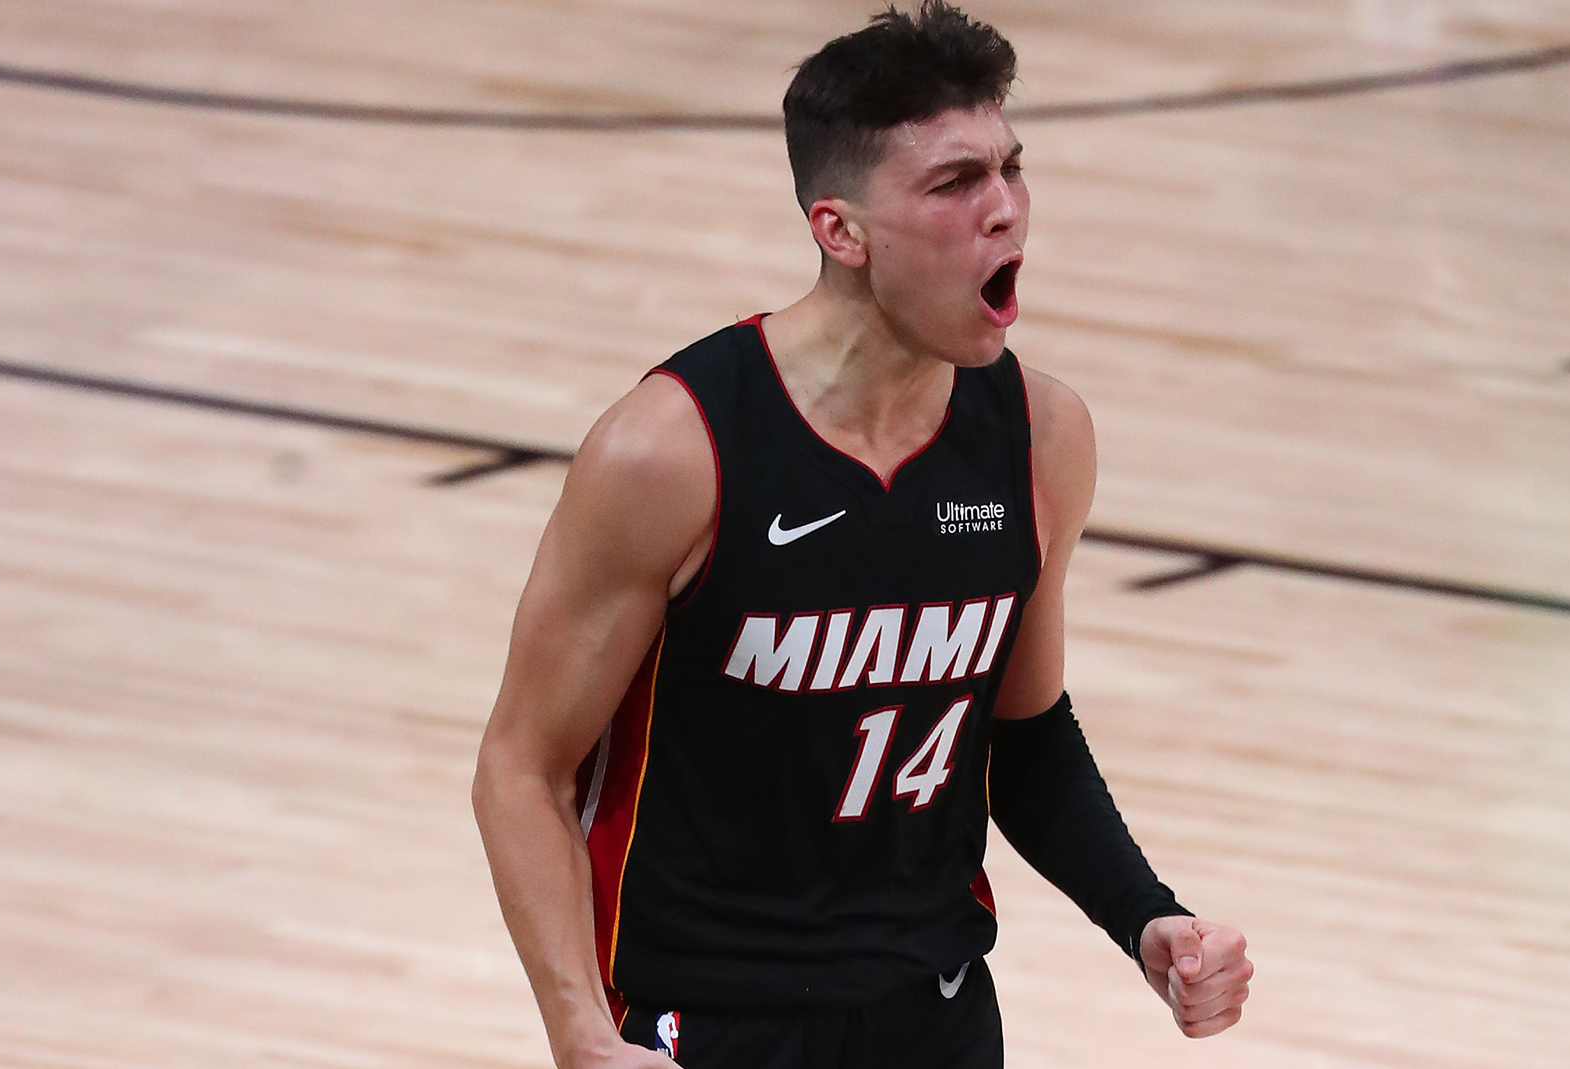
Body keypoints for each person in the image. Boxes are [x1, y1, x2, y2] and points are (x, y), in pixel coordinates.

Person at [471, 4, 1252, 1066]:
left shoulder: (1041, 437)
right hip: (711, 1016)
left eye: (1011, 169)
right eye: (955, 182)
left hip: (935, 1008)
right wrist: (577, 1032)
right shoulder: (672, 452)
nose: (1005, 209)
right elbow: (522, 765)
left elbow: (1023, 737)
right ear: (840, 231)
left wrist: (1146, 916)